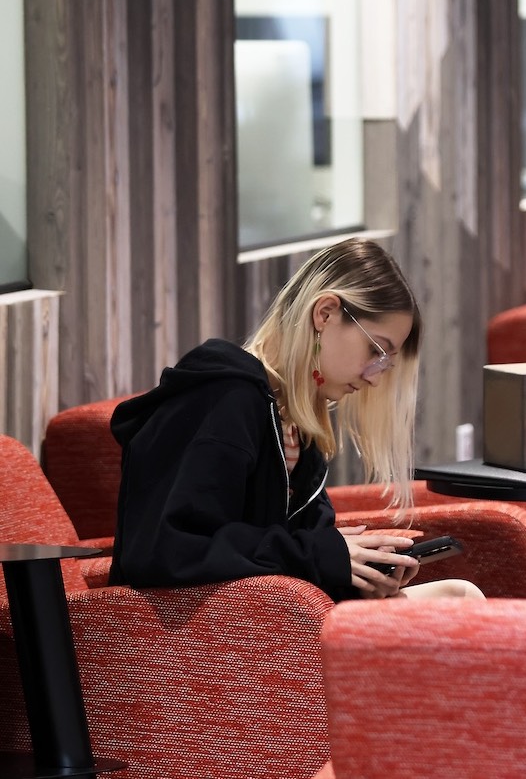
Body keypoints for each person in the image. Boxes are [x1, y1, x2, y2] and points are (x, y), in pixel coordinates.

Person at [109, 237, 483, 602]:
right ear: (325, 313)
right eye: (376, 350)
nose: (374, 376)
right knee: (462, 602)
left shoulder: (296, 421)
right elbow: (167, 548)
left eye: (385, 363)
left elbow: (289, 554)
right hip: (203, 641)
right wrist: (321, 556)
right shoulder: (224, 400)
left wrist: (357, 572)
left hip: (273, 618)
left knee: (460, 596)